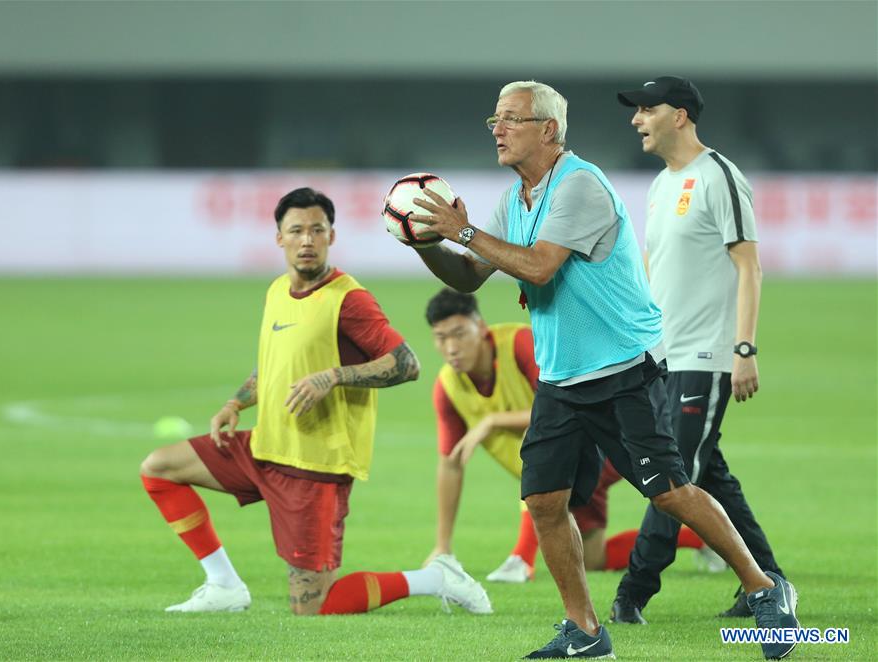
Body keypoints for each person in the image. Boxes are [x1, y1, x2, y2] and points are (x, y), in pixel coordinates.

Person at [408, 80, 800, 659]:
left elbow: (538, 267)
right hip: (563, 378)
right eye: (494, 118)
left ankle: (767, 590)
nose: (497, 128)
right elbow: (470, 275)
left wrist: (462, 232)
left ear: (549, 129)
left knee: (668, 490)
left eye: (510, 119)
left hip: (622, 368)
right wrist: (424, 242)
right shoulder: (513, 198)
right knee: (543, 501)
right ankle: (586, 632)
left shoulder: (580, 185)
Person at [139, 187, 492, 618]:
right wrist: (236, 403)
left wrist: (334, 376)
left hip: (315, 466)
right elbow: (277, 363)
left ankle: (435, 578)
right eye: (297, 231)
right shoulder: (276, 291)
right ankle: (223, 584)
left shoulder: (348, 299)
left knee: (316, 607)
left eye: (317, 231)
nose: (307, 240)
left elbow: (407, 363)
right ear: (279, 238)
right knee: (159, 469)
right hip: (264, 444)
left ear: (332, 236)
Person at [611, 76, 786, 623]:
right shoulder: (662, 183)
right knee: (707, 476)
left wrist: (744, 348)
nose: (637, 119)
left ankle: (631, 595)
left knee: (671, 479)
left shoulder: (720, 177)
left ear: (680, 115)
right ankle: (770, 581)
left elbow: (749, 266)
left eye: (646, 109)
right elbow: (653, 272)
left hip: (705, 357)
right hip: (662, 357)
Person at [423, 287, 709, 580]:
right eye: (441, 338)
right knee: (592, 558)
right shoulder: (447, 388)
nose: (451, 348)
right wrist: (442, 546)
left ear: (480, 327)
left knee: (543, 460)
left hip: (601, 442)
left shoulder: (519, 343)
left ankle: (521, 558)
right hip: (571, 456)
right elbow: (450, 463)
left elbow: (558, 404)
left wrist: (493, 420)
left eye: (459, 334)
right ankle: (698, 539)